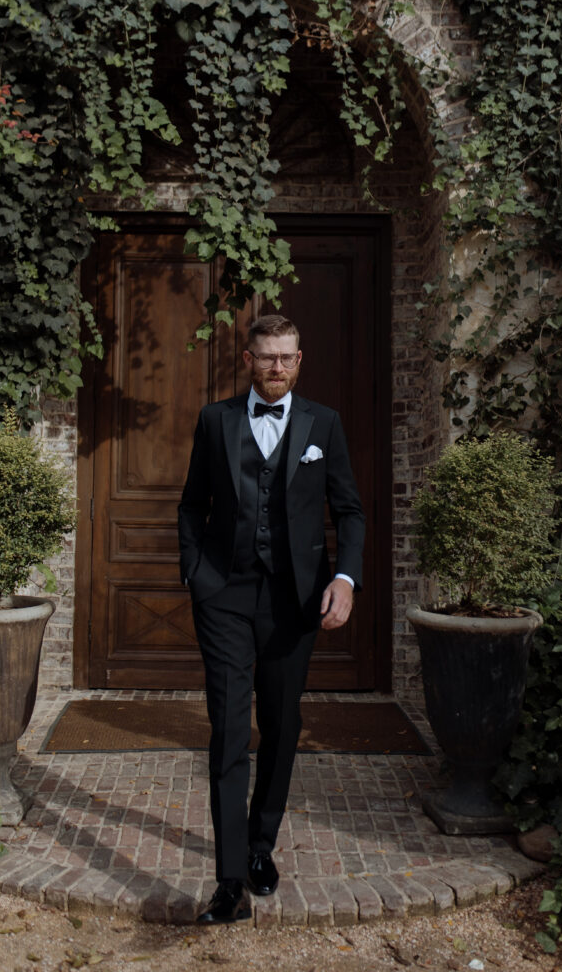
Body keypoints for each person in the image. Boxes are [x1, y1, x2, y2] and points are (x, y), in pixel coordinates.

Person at [178, 314, 365, 924]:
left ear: (300, 359)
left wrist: (345, 577)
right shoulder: (215, 420)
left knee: (281, 726)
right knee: (229, 729)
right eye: (267, 358)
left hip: (294, 601)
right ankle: (230, 879)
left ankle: (262, 846)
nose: (277, 368)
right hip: (225, 596)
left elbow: (350, 511)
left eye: (287, 358)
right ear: (247, 358)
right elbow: (192, 504)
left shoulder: (324, 424)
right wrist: (196, 575)